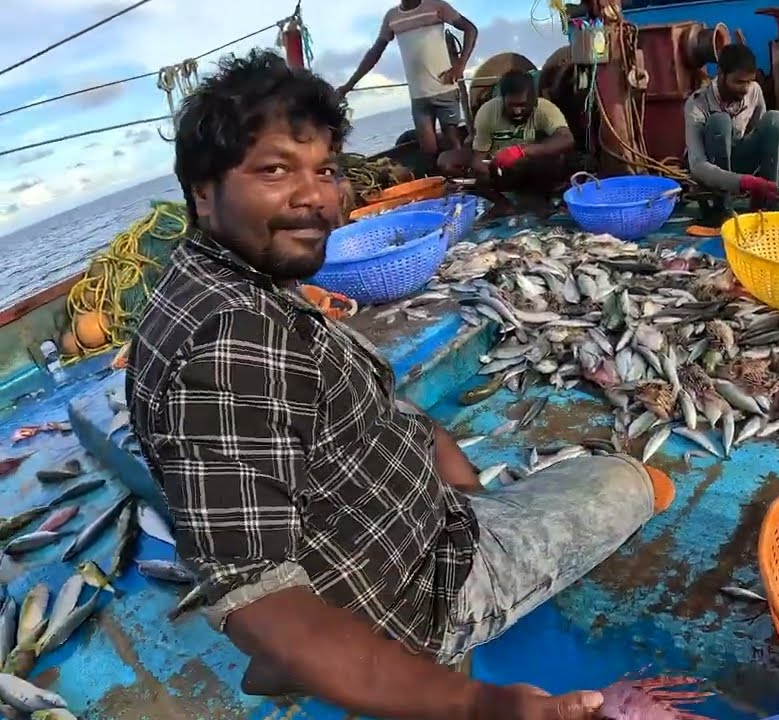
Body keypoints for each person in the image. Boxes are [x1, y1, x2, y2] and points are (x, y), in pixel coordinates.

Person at [126, 50, 675, 720]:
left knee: (492, 476)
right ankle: (359, 654)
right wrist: (476, 706)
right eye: (274, 170)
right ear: (203, 192)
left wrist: (449, 471)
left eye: (325, 169)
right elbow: (259, 595)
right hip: (423, 591)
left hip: (390, 525)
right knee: (632, 481)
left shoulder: (212, 285)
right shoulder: (229, 344)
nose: (316, 196)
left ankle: (315, 649)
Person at [683, 43, 779, 214]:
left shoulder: (754, 91)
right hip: (711, 172)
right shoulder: (697, 104)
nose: (745, 89)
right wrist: (745, 182)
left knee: (776, 120)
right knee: (719, 122)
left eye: (749, 82)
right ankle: (721, 208)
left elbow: (765, 140)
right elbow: (698, 165)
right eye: (738, 82)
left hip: (741, 162)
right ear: (721, 74)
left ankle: (765, 206)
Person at [338, 0, 477, 159]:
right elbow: (375, 53)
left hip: (445, 90)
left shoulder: (437, 6)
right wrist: (349, 85)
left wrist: (460, 65)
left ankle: (462, 171)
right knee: (428, 150)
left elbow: (470, 29)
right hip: (418, 97)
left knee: (454, 142)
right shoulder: (392, 17)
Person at [437, 70, 576, 222]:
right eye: (512, 105)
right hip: (498, 167)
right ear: (502, 99)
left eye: (522, 105)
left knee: (556, 157)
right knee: (446, 160)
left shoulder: (545, 108)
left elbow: (566, 139)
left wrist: (522, 151)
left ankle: (536, 198)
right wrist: (487, 168)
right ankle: (501, 203)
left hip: (530, 165)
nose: (517, 111)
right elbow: (479, 156)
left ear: (534, 101)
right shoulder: (487, 111)